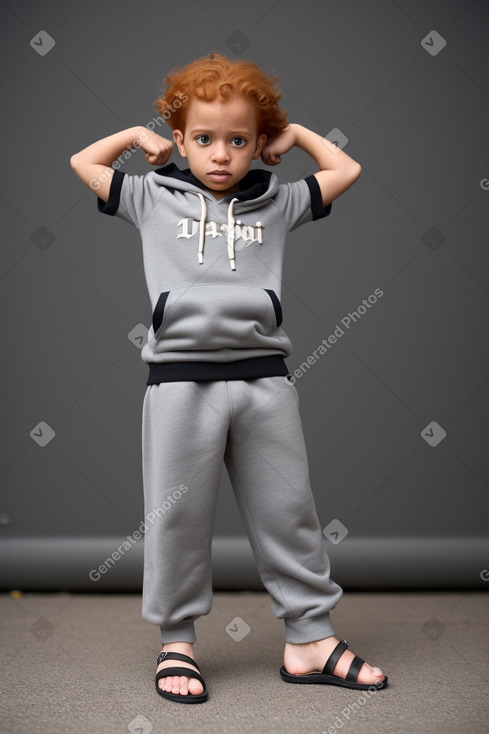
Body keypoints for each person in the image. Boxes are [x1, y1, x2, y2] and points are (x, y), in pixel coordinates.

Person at [70, 51, 388, 704]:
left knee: (288, 509)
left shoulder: (276, 203)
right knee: (177, 516)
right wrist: (136, 138)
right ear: (180, 139)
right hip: (179, 382)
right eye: (205, 139)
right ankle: (177, 643)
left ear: (256, 141)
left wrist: (292, 138)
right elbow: (85, 164)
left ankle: (310, 639)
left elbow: (346, 169)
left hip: (263, 381)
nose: (221, 154)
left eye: (238, 140)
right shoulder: (150, 195)